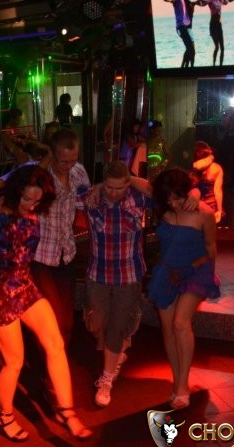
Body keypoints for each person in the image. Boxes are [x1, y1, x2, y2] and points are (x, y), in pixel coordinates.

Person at [0, 164, 92, 442]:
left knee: (55, 343)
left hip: (24, 284)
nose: (31, 205)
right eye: (26, 198)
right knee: (14, 361)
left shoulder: (33, 211)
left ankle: (67, 412)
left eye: (36, 200)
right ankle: (4, 414)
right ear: (16, 191)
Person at [79, 161, 152, 407]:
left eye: (119, 187)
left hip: (128, 274)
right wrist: (98, 187)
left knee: (116, 328)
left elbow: (160, 192)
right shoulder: (91, 197)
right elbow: (66, 193)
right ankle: (119, 344)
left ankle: (107, 378)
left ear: (128, 184)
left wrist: (130, 181)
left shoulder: (138, 198)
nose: (113, 192)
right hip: (97, 273)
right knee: (95, 323)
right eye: (109, 186)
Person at [147, 168, 220, 410]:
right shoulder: (164, 205)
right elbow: (133, 181)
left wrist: (194, 267)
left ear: (186, 192)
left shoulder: (204, 213)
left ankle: (183, 386)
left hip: (196, 269)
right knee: (168, 328)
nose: (173, 204)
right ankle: (178, 380)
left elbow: (211, 250)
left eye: (177, 198)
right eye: (168, 199)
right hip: (167, 270)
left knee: (180, 322)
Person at [31, 128, 90, 350]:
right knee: (52, 314)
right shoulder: (41, 175)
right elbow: (24, 187)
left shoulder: (79, 172)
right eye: (63, 161)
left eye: (73, 160)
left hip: (67, 253)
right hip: (41, 256)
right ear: (52, 155)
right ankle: (50, 361)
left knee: (67, 317)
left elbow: (85, 203)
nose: (68, 165)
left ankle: (59, 359)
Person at [191, 141, 224, 224]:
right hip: (210, 206)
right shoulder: (217, 168)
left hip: (194, 206)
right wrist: (219, 210)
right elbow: (218, 191)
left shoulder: (190, 167)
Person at [196, 0, 228, 66]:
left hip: (219, 25)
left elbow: (226, 2)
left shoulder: (220, 1)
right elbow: (202, 3)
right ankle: (214, 65)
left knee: (222, 48)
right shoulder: (210, 1)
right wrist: (196, 3)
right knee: (217, 47)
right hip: (213, 25)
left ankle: (221, 66)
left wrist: (226, 1)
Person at [166, 0, 195, 68]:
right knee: (191, 49)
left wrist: (193, 6)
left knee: (190, 49)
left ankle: (184, 67)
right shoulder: (177, 1)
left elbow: (190, 13)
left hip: (185, 27)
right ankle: (185, 67)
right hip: (180, 27)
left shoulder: (186, 2)